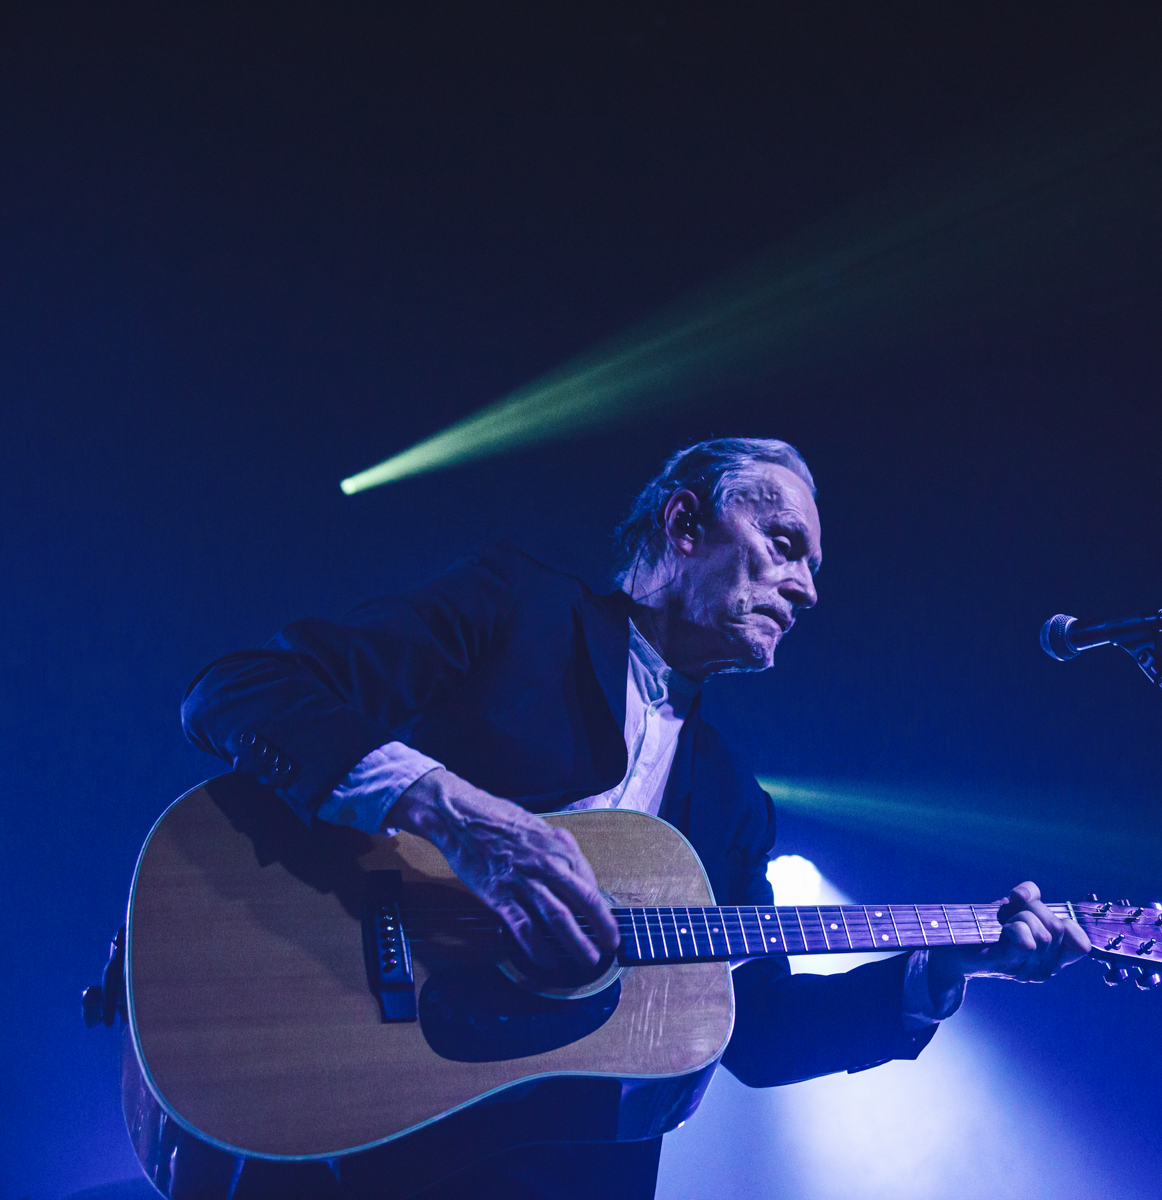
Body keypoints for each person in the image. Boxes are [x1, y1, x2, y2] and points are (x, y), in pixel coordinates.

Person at [178, 437, 1090, 1198]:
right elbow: (242, 690)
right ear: (684, 523)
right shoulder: (518, 606)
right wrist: (459, 818)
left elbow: (759, 1032)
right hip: (360, 1119)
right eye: (783, 543)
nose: (809, 589)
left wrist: (945, 967)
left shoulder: (734, 801)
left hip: (572, 1171)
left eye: (813, 565)